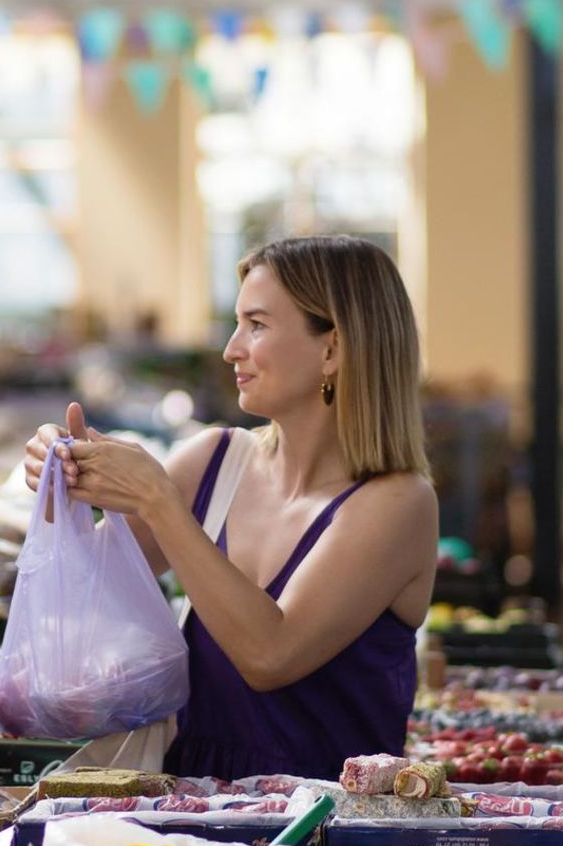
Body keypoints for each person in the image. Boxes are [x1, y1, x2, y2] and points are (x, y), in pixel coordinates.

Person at [24, 235, 437, 780]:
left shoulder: (397, 503)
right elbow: (89, 588)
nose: (231, 349)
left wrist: (157, 499)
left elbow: (270, 655)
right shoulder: (213, 461)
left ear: (332, 349)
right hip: (191, 815)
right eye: (237, 323)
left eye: (257, 325)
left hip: (318, 837)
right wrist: (63, 492)